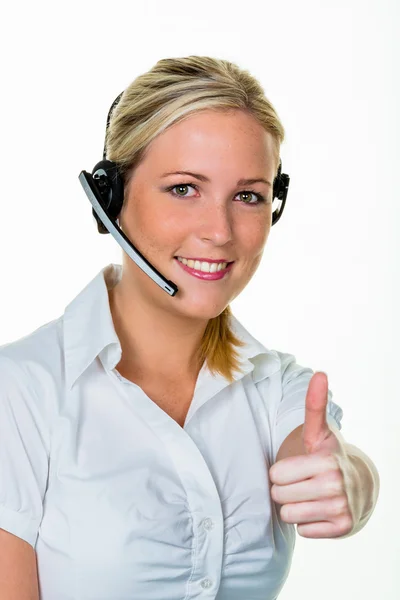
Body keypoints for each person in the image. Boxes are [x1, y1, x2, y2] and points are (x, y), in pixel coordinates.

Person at [0, 55, 379, 600]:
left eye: (248, 196)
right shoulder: (20, 393)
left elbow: (319, 451)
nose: (219, 231)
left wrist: (354, 480)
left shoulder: (277, 386)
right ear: (109, 197)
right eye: (183, 188)